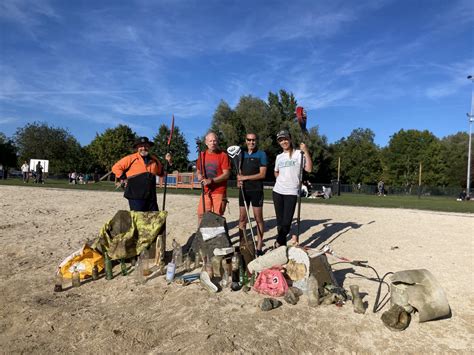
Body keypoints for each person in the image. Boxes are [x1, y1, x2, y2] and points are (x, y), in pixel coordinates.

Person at [273, 130, 312, 247]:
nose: (283, 142)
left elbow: (309, 169)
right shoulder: (279, 157)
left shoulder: (299, 154)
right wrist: (281, 179)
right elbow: (276, 171)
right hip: (277, 191)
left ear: (290, 139)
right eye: (281, 140)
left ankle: (278, 242)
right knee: (280, 223)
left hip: (291, 192)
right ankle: (282, 247)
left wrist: (306, 151)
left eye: (285, 139)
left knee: (286, 223)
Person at [112, 137, 171, 212]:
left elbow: (162, 173)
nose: (143, 148)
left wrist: (168, 162)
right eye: (141, 146)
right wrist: (124, 178)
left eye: (146, 146)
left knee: (153, 219)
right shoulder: (131, 158)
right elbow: (116, 168)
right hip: (135, 196)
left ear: (149, 147)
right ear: (137, 147)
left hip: (151, 197)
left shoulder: (154, 160)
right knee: (139, 219)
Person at [237, 133, 267, 256]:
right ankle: (242, 244)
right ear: (246, 140)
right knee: (242, 219)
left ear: (256, 141)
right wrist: (239, 180)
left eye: (253, 140)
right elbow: (239, 172)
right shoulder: (241, 154)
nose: (251, 142)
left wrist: (245, 177)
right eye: (249, 140)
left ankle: (259, 245)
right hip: (243, 190)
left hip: (256, 190)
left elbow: (262, 174)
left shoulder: (261, 154)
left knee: (258, 218)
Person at [196, 132, 231, 225]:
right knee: (201, 214)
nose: (213, 143)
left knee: (217, 216)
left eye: (214, 140)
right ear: (206, 142)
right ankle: (201, 235)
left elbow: (226, 174)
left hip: (219, 191)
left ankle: (217, 238)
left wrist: (211, 180)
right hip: (206, 191)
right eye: (210, 141)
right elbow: (198, 170)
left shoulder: (223, 155)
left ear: (217, 142)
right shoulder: (202, 155)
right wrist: (199, 175)